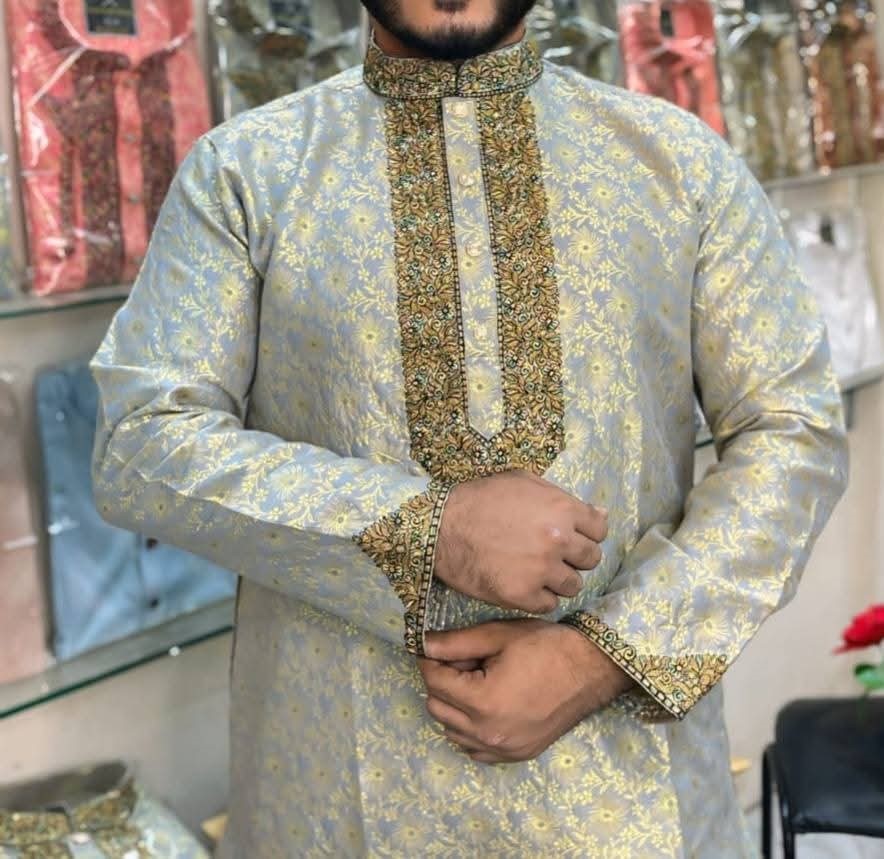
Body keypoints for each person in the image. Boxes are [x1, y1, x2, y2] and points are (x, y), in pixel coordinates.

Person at [90, 0, 848, 854]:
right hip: (336, 797)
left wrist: (602, 658)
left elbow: (794, 431)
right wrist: (430, 528)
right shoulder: (248, 171)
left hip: (624, 802)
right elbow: (140, 438)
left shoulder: (677, 162)